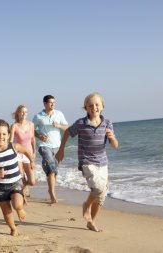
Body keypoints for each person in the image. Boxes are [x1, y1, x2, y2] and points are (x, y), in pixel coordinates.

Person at [55, 92, 119, 232]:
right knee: (99, 188)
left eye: (97, 104)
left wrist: (112, 138)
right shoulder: (81, 123)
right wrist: (61, 150)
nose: (94, 107)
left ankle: (92, 222)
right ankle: (86, 205)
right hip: (87, 161)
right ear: (86, 108)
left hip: (102, 163)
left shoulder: (107, 123)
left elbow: (115, 146)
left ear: (102, 106)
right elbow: (67, 132)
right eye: (90, 105)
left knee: (102, 195)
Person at [0, 119, 35, 236]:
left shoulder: (14, 147)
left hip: (15, 183)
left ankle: (20, 209)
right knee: (6, 211)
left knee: (17, 205)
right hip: (0, 186)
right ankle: (13, 228)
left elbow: (26, 150)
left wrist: (31, 161)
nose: (1, 136)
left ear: (9, 135)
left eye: (4, 134)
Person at [32, 95, 68, 204]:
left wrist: (59, 126)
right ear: (45, 103)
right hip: (44, 146)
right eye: (50, 102)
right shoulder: (38, 116)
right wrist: (39, 136)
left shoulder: (59, 114)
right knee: (52, 169)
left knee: (54, 171)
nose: (53, 104)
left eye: (54, 102)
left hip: (58, 146)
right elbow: (31, 130)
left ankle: (50, 189)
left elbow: (67, 127)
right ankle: (52, 195)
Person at [9, 105, 36, 202]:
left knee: (32, 181)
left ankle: (24, 187)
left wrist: (34, 154)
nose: (24, 113)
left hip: (28, 154)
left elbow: (33, 140)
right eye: (22, 112)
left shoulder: (31, 124)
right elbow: (11, 141)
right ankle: (23, 195)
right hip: (18, 155)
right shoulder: (14, 126)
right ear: (18, 113)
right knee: (21, 175)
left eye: (26, 112)